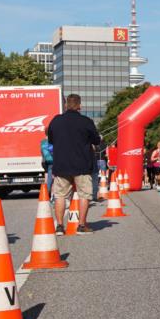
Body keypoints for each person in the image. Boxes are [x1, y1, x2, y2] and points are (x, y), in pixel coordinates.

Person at [46, 94, 101, 234]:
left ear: (66, 105)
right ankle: (81, 226)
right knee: (84, 195)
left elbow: (51, 140)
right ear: (79, 106)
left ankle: (59, 226)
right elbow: (96, 140)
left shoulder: (56, 121)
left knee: (60, 196)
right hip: (82, 165)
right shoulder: (86, 121)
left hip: (61, 165)